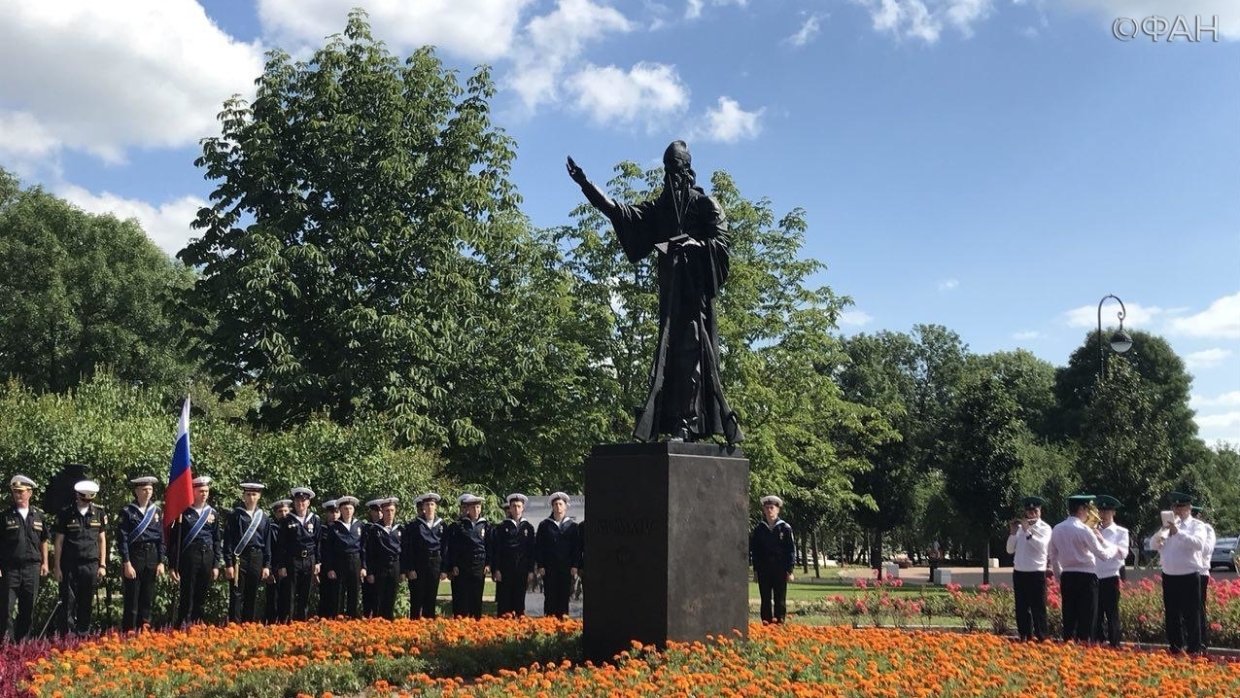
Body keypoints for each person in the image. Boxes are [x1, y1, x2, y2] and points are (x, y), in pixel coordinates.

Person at [566, 143, 742, 444]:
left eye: (677, 168)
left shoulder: (706, 204)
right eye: (668, 169)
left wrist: (696, 247)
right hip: (670, 296)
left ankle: (689, 423)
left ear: (687, 170)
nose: (672, 176)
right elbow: (620, 213)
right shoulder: (660, 209)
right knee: (669, 359)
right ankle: (671, 421)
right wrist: (586, 185)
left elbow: (722, 244)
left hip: (694, 300)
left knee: (692, 356)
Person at [1048, 494, 1120, 642]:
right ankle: (1084, 649)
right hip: (1086, 576)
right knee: (1087, 618)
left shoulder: (1057, 528)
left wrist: (1058, 576)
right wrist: (1114, 548)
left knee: (1069, 616)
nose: (1088, 513)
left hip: (1067, 576)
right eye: (1087, 509)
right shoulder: (1084, 530)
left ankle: (1068, 646)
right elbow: (1103, 555)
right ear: (1081, 509)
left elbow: (1053, 556)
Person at [1155, 492, 1209, 654]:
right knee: (1172, 615)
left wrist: (1177, 531)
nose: (1177, 510)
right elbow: (1153, 544)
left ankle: (1194, 649)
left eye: (1181, 507)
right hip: (1169, 575)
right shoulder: (1167, 526)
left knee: (1191, 614)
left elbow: (1198, 544)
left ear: (1189, 508)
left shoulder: (1197, 525)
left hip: (1189, 574)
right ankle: (1175, 647)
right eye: (1175, 507)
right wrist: (1162, 534)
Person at [53, 480, 107, 635]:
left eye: (90, 499)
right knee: (68, 601)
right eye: (84, 499)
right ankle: (67, 636)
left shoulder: (98, 513)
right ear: (77, 496)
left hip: (90, 564)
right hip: (69, 563)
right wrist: (57, 566)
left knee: (86, 601)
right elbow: (59, 542)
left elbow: (102, 539)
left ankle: (83, 634)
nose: (86, 502)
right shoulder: (65, 513)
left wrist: (102, 564)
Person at [169, 476, 223, 627]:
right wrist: (173, 565)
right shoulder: (184, 513)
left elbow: (217, 539)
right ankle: (183, 623)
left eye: (206, 491)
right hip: (189, 556)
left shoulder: (213, 513)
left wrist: (216, 564)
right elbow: (175, 541)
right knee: (187, 592)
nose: (204, 494)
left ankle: (197, 622)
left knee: (202, 592)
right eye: (201, 491)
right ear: (193, 491)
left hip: (207, 556)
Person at [0, 475, 49, 642]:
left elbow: (44, 540)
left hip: (32, 569)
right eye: (15, 492)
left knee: (27, 609)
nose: (18, 495)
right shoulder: (5, 516)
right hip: (10, 568)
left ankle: (23, 645)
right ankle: (7, 644)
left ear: (30, 493)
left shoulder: (38, 516)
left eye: (21, 492)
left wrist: (45, 563)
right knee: (6, 608)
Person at [116, 475, 165, 632]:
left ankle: (144, 629)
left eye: (150, 489)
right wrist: (126, 562)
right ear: (137, 491)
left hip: (151, 555)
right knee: (132, 597)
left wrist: (161, 561)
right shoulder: (128, 512)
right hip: (135, 556)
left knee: (147, 597)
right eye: (144, 489)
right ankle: (129, 631)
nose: (148, 492)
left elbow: (161, 538)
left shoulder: (156, 511)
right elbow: (122, 539)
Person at [1006, 495, 1052, 641]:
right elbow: (1009, 550)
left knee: (1038, 607)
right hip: (1019, 572)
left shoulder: (1044, 528)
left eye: (1035, 511)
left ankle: (1041, 636)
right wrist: (1013, 533)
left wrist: (1028, 531)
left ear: (1040, 511)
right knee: (1021, 607)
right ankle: (1024, 635)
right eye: (1029, 511)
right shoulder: (1019, 529)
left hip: (1036, 572)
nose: (1031, 513)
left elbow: (1041, 547)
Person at [224, 482, 270, 624]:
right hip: (239, 558)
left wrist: (267, 565)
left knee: (252, 593)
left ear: (259, 496)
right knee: (236, 594)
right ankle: (234, 626)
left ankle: (248, 626)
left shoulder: (263, 517)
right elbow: (228, 541)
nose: (251, 497)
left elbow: (267, 543)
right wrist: (228, 563)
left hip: (257, 557)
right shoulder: (235, 516)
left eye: (254, 494)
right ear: (243, 496)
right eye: (248, 494)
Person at [748, 495, 795, 624]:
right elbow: (755, 552)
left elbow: (790, 550)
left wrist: (790, 570)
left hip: (780, 569)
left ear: (778, 510)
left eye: (772, 508)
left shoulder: (785, 528)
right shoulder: (759, 530)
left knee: (780, 598)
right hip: (764, 570)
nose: (769, 510)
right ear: (763, 510)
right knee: (765, 598)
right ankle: (766, 623)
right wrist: (756, 571)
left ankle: (779, 622)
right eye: (767, 508)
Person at [488, 494, 536, 617]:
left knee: (519, 602)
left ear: (523, 508)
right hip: (505, 570)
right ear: (509, 508)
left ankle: (519, 631)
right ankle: (503, 631)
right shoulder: (501, 527)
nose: (516, 509)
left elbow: (531, 551)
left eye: (519, 506)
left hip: (522, 570)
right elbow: (497, 550)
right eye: (513, 506)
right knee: (504, 603)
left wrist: (531, 570)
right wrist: (496, 569)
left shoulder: (528, 528)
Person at [277, 487, 320, 621]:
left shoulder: (315, 520)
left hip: (309, 560)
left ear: (308, 503)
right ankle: (288, 622)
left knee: (305, 594)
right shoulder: (287, 520)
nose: (300, 504)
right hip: (292, 560)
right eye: (297, 501)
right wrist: (282, 565)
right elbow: (281, 545)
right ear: (294, 503)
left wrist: (318, 562)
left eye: (303, 501)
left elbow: (318, 542)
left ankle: (302, 622)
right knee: (289, 593)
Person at [445, 493, 489, 619]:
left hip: (478, 565)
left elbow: (489, 546)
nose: (475, 510)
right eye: (472, 507)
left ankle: (476, 624)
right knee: (461, 597)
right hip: (462, 566)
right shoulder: (459, 526)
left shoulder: (485, 525)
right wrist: (452, 565)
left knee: (476, 597)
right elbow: (452, 548)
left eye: (478, 507)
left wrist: (488, 563)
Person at [1092, 495, 1129, 647]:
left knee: (1112, 613)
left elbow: (1123, 553)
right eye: (1101, 511)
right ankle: (1097, 643)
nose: (1103, 515)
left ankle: (1115, 644)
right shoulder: (1092, 530)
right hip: (1094, 576)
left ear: (1113, 513)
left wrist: (1102, 540)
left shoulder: (1121, 532)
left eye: (1107, 511)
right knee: (1096, 614)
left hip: (1110, 576)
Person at [535, 492, 579, 618]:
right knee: (550, 596)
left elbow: (576, 548)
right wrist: (541, 565)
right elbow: (539, 547)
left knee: (564, 596)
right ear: (552, 507)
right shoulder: (544, 525)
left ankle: (563, 624)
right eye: (555, 504)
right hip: (549, 568)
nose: (558, 507)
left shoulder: (572, 526)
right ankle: (549, 623)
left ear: (566, 506)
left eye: (560, 504)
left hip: (566, 568)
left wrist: (575, 565)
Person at [402, 492, 446, 619]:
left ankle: (428, 629)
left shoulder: (442, 525)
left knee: (431, 597)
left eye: (432, 504)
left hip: (435, 563)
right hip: (419, 563)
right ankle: (414, 629)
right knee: (416, 598)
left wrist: (443, 569)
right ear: (423, 507)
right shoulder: (414, 526)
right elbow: (408, 549)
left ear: (436, 507)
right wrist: (410, 568)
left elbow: (445, 548)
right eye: (427, 504)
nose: (430, 507)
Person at [322, 496, 365, 618]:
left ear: (354, 510)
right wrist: (330, 568)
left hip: (355, 561)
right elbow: (328, 550)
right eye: (345, 509)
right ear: (340, 510)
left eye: (350, 508)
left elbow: (364, 548)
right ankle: (337, 620)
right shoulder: (334, 527)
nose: (348, 511)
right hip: (339, 561)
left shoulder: (359, 525)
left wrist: (364, 566)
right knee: (338, 593)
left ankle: (352, 619)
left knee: (354, 592)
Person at [364, 497, 401, 620]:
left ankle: (389, 625)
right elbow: (369, 552)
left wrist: (403, 571)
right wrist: (370, 572)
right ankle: (377, 626)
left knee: (391, 597)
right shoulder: (375, 530)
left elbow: (404, 550)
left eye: (392, 510)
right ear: (382, 512)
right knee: (378, 599)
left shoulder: (400, 529)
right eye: (387, 511)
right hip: (380, 566)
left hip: (395, 566)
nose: (389, 514)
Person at [1192, 504, 1217, 649]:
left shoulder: (1206, 529)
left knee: (1198, 610)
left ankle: (1201, 642)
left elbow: (1207, 549)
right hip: (1184, 573)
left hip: (1200, 573)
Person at [264, 499, 291, 624]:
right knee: (273, 598)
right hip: (274, 568)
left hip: (290, 568)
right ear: (275, 513)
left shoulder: (292, 526)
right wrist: (268, 569)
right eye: (280, 511)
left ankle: (285, 623)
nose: (283, 514)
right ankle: (271, 624)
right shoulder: (271, 527)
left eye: (286, 510)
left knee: (287, 598)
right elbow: (268, 548)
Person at [315, 499, 339, 618]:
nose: (334, 515)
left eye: (337, 512)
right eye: (331, 512)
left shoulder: (341, 529)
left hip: (339, 566)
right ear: (327, 513)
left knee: (337, 596)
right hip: (324, 567)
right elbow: (318, 547)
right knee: (324, 595)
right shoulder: (321, 528)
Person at [361, 499, 383, 617]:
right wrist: (367, 570)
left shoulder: (385, 528)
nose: (379, 513)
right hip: (369, 568)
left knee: (380, 600)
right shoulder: (366, 528)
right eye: (375, 510)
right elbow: (364, 550)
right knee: (368, 598)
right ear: (371, 512)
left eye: (380, 510)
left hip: (381, 569)